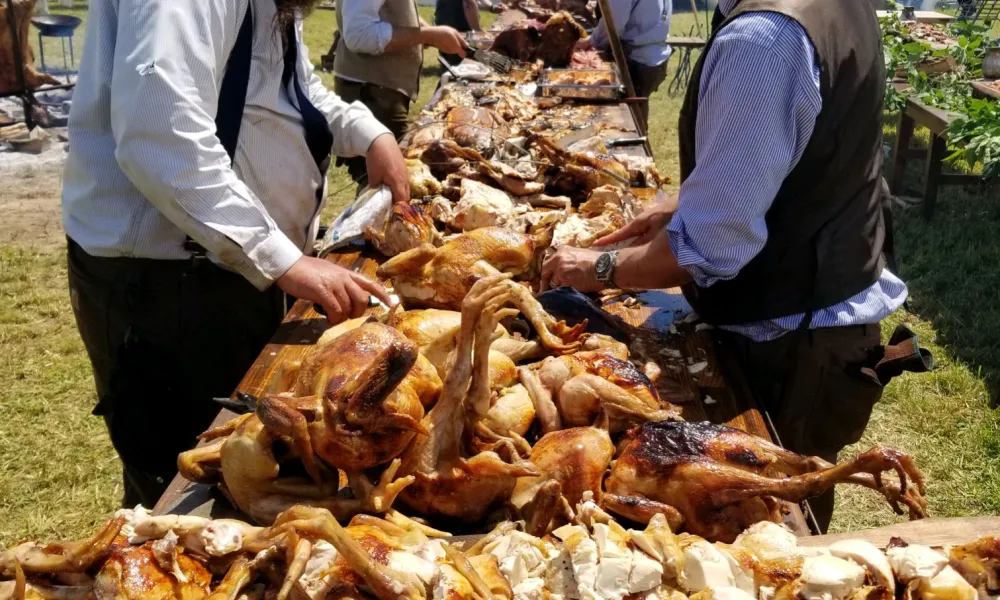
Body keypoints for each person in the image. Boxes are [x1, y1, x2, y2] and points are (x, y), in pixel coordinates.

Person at [541, 0, 909, 530]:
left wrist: (597, 268)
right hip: (820, 306)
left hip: (790, 338)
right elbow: (803, 139)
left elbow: (708, 248)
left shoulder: (762, 38)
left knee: (771, 522)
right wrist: (692, 197)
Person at [62, 0, 409, 508]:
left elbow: (292, 91)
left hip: (231, 267)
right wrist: (282, 258)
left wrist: (367, 133)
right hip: (168, 287)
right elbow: (161, 133)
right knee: (184, 485)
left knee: (259, 459)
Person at [333, 0, 469, 183]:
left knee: (391, 178)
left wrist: (426, 32)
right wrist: (428, 35)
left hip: (380, 92)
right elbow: (359, 34)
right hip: (371, 93)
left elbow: (391, 11)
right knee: (390, 180)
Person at [576, 0, 672, 129]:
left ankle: (636, 138)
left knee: (626, 117)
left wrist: (592, 42)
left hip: (636, 59)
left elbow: (613, 22)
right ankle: (640, 134)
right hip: (655, 54)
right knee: (637, 109)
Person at [435, 0, 483, 65]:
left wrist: (492, 7)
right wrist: (477, 31)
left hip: (442, 21)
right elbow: (469, 2)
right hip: (458, 23)